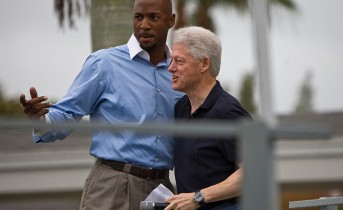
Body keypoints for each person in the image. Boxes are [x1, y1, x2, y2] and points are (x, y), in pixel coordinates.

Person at [19, 0, 182, 209]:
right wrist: (41, 120)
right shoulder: (104, 63)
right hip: (112, 186)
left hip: (162, 190)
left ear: (171, 21)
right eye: (138, 17)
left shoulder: (178, 73)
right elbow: (67, 114)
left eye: (154, 17)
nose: (144, 25)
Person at [165, 26, 251, 210]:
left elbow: (254, 171)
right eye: (171, 61)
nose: (170, 68)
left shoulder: (229, 113)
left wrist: (199, 197)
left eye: (179, 61)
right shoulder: (180, 109)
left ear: (204, 64)